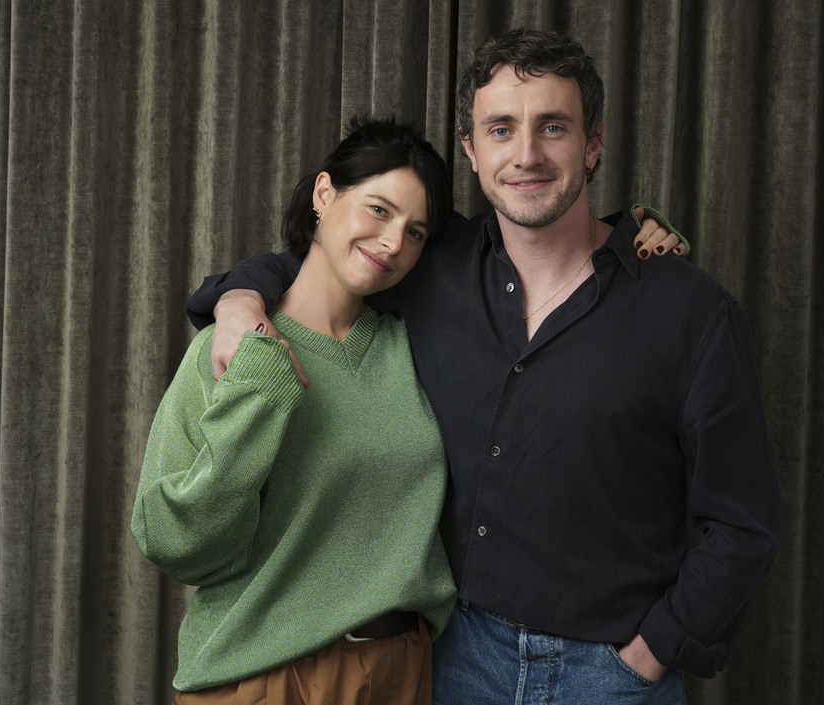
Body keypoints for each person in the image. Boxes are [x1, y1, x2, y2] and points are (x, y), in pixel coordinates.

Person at [187, 29, 782, 705]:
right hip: (450, 660)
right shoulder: (428, 265)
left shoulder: (691, 312)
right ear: (471, 149)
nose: (526, 154)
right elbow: (316, 268)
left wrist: (649, 655)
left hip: (610, 675)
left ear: (592, 144)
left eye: (553, 126)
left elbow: (746, 524)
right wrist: (238, 297)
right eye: (501, 129)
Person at [132, 118, 460, 705]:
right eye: (379, 210)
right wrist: (260, 390)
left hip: (398, 670)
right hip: (263, 674)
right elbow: (175, 542)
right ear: (324, 194)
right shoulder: (228, 348)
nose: (393, 242)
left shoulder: (411, 348)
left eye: (415, 232)